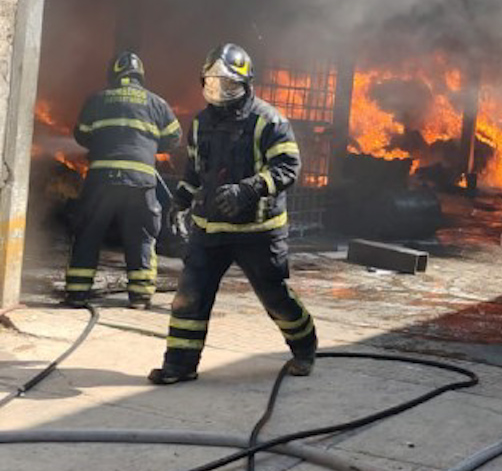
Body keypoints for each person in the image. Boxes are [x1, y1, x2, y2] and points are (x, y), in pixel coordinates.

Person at [149, 44, 317, 385]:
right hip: (210, 229)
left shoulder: (269, 121)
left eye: (228, 86)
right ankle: (179, 365)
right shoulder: (199, 124)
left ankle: (305, 346)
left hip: (258, 230)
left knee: (274, 296)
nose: (220, 93)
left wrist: (249, 189)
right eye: (213, 85)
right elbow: (196, 170)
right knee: (189, 297)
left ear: (246, 84)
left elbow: (289, 167)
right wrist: (181, 200)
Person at [63, 51, 181, 309]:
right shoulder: (157, 103)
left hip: (101, 180)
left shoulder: (97, 100)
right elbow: (174, 138)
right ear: (141, 75)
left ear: (113, 74)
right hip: (141, 181)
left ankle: (77, 293)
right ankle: (139, 296)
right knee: (141, 236)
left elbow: (81, 135)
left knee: (88, 232)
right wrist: (149, 144)